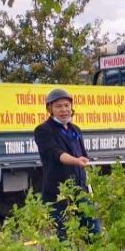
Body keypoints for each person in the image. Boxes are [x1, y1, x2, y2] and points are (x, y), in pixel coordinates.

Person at [33, 88, 100, 241]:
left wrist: (84, 163)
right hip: (57, 194)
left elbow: (83, 155)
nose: (64, 110)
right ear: (50, 109)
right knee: (63, 240)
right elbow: (57, 154)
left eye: (66, 105)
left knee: (94, 233)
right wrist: (77, 161)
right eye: (58, 106)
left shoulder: (75, 129)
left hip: (80, 191)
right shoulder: (43, 130)